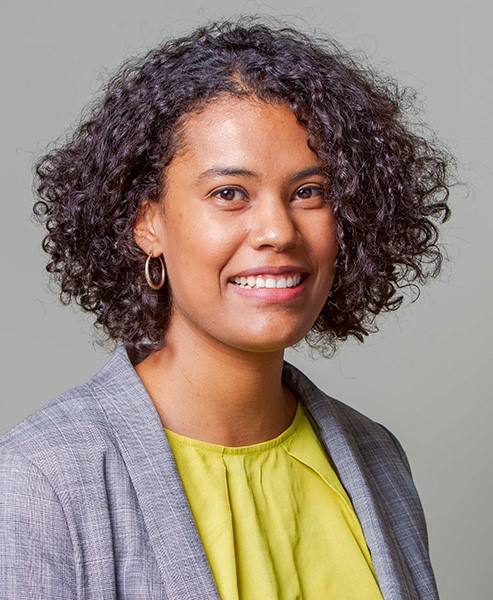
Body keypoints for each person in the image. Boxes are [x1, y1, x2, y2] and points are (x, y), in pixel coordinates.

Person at [0, 20, 451, 600]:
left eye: (309, 191)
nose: (277, 231)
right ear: (148, 223)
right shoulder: (40, 484)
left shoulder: (377, 458)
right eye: (229, 193)